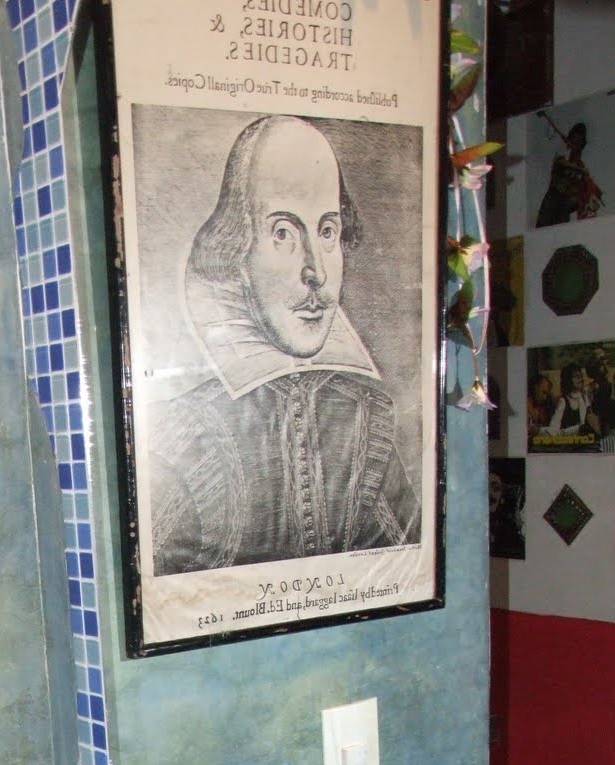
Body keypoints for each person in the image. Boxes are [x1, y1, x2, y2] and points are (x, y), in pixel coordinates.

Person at [148, 115, 420, 575]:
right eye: (283, 234)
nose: (316, 271)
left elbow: (407, 573)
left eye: (328, 231)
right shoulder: (185, 440)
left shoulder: (364, 418)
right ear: (237, 252)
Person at [535, 120, 603, 228]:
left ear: (582, 146)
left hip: (564, 208)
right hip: (551, 200)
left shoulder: (581, 166)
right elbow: (560, 163)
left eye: (579, 143)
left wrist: (590, 195)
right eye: (574, 140)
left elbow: (578, 195)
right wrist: (580, 170)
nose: (576, 145)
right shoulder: (563, 154)